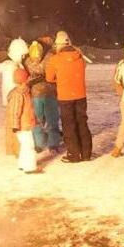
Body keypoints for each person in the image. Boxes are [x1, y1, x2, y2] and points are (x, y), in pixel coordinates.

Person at [46, 30, 92, 162]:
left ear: (58, 45)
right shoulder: (80, 57)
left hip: (65, 97)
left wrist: (60, 80)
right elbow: (83, 67)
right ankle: (86, 153)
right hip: (80, 96)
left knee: (68, 125)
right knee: (82, 123)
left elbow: (49, 78)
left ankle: (73, 154)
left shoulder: (55, 59)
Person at [25, 39, 62, 152]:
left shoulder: (27, 61)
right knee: (51, 119)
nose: (36, 58)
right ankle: (53, 143)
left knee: (38, 120)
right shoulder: (50, 57)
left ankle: (40, 143)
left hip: (37, 94)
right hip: (49, 93)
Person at [0, 38, 29, 156]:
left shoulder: (11, 65)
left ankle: (12, 148)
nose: (24, 57)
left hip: (11, 99)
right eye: (22, 55)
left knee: (12, 124)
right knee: (17, 125)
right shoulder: (12, 67)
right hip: (15, 99)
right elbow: (16, 84)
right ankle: (16, 149)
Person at [5, 68, 39, 173]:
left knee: (25, 146)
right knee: (29, 146)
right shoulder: (19, 94)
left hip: (25, 123)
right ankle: (30, 167)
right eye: (27, 77)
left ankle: (22, 164)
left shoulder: (24, 91)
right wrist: (15, 125)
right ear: (24, 79)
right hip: (22, 125)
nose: (29, 79)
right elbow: (16, 111)